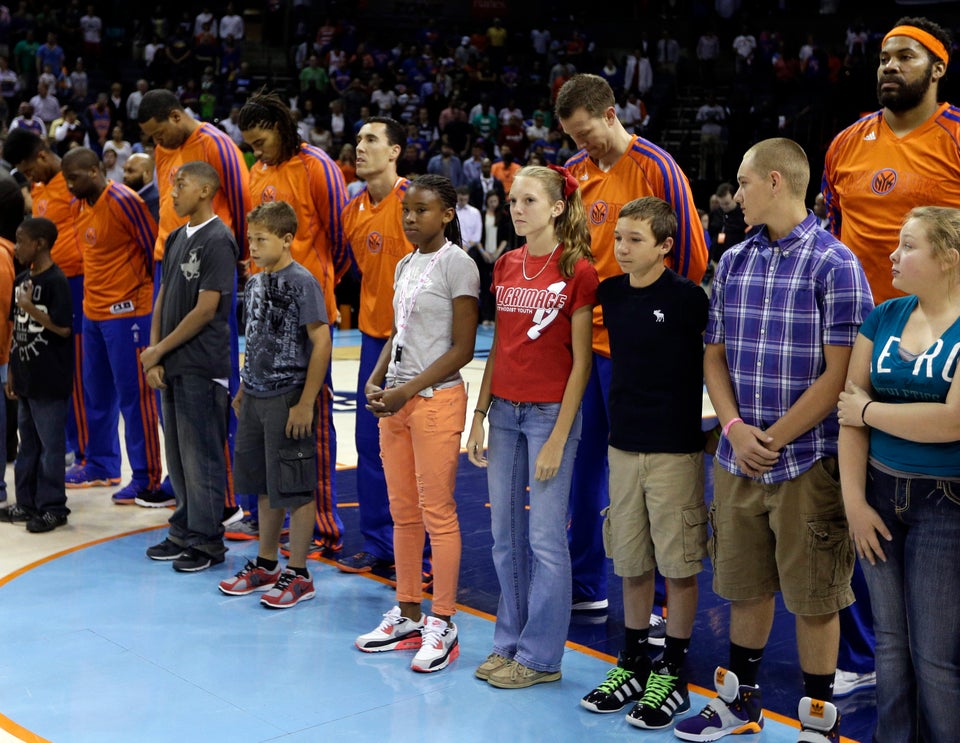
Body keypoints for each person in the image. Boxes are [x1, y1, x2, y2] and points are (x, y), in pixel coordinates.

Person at [674, 138, 873, 743]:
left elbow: (841, 375)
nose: (737, 195)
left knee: (815, 596)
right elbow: (713, 355)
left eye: (744, 182)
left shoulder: (836, 265)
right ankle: (741, 706)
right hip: (739, 457)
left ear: (777, 182)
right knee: (745, 586)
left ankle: (817, 720)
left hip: (807, 462)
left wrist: (776, 437)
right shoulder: (733, 260)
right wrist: (734, 428)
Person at [821, 16, 960, 698]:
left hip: (940, 344)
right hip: (860, 341)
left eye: (905, 55)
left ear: (938, 67)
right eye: (883, 55)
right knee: (857, 497)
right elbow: (829, 236)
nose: (888, 64)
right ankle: (865, 652)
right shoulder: (846, 142)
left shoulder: (958, 136)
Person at [556, 73, 708, 614]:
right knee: (587, 465)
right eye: (572, 137)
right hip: (586, 344)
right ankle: (584, 585)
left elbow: (688, 259)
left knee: (656, 472)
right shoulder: (573, 174)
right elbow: (570, 252)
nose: (581, 145)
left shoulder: (657, 168)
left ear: (611, 115)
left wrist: (655, 323)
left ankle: (666, 600)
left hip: (642, 346)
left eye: (585, 133)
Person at [466, 164, 597, 689]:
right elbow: (499, 347)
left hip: (549, 417)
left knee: (545, 540)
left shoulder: (578, 269)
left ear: (557, 208)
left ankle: (542, 658)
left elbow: (582, 363)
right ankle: (509, 643)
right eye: (512, 201)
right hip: (504, 414)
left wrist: (560, 438)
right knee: (504, 536)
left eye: (528, 201)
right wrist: (478, 414)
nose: (517, 209)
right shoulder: (505, 265)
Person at [580, 197, 708, 729]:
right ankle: (633, 662)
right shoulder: (609, 293)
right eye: (618, 239)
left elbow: (717, 359)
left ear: (664, 246)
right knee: (630, 561)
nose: (623, 248)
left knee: (677, 565)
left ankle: (671, 671)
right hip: (623, 446)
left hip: (676, 450)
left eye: (635, 239)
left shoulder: (687, 299)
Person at [837, 206, 960, 742]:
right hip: (878, 496)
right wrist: (854, 504)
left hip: (946, 504)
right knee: (889, 645)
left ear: (947, 259)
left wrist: (869, 411)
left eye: (908, 245)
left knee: (934, 655)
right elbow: (846, 411)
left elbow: (952, 421)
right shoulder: (883, 316)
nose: (893, 254)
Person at [354, 174, 478, 672]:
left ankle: (443, 622)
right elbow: (398, 332)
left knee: (438, 514)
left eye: (421, 210)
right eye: (406, 211)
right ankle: (407, 613)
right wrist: (379, 375)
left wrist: (407, 388)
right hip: (398, 402)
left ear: (446, 214)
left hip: (434, 402)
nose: (410, 218)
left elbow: (463, 349)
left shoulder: (459, 265)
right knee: (403, 513)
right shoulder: (406, 263)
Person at [236, 90, 347, 555]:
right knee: (271, 430)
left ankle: (322, 527)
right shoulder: (257, 173)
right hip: (266, 316)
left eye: (260, 141)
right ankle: (271, 527)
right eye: (250, 145)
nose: (255, 152)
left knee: (309, 423)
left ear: (280, 129)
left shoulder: (317, 165)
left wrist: (316, 285)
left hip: (307, 312)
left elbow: (339, 238)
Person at [137, 88, 250, 520]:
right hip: (173, 255)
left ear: (176, 115)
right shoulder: (165, 149)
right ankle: (188, 491)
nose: (156, 142)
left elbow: (238, 203)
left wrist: (235, 260)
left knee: (211, 386)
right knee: (176, 388)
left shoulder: (216, 144)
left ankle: (223, 496)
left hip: (210, 262)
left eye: (158, 132)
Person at [218, 200, 332, 608]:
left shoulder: (303, 282)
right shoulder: (255, 282)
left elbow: (321, 341)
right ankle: (266, 563)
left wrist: (305, 403)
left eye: (260, 240)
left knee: (295, 488)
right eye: (250, 239)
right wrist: (246, 387)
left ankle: (299, 573)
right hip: (256, 395)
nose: (252, 247)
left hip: (288, 397)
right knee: (264, 485)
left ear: (286, 240)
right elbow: (257, 338)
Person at [141, 162, 238, 572]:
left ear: (204, 190)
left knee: (202, 456)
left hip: (203, 363)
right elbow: (163, 297)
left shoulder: (219, 239)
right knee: (178, 455)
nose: (172, 193)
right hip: (174, 361)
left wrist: (160, 348)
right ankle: (183, 528)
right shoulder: (178, 235)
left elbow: (206, 309)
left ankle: (208, 541)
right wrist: (154, 353)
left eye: (179, 185)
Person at [336, 117, 418, 576]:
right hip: (373, 337)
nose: (360, 147)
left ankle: (419, 556)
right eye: (357, 140)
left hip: (417, 344)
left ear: (394, 151)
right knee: (370, 444)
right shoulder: (352, 212)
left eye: (371, 140)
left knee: (411, 450)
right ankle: (378, 544)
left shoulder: (415, 201)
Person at [61, 147, 162, 505]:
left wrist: (145, 303)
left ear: (95, 170)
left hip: (128, 311)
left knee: (136, 398)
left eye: (74, 178)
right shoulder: (78, 207)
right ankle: (102, 464)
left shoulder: (123, 200)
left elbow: (153, 250)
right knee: (96, 391)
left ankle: (148, 476)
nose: (70, 186)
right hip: (93, 311)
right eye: (66, 180)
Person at [2, 128, 87, 470]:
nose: (28, 177)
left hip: (75, 281)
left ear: (40, 155)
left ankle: (84, 451)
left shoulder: (71, 183)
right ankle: (62, 445)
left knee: (75, 371)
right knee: (43, 364)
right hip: (42, 282)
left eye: (27, 169)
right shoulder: (37, 190)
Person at [2, 218, 73, 533]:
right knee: (26, 445)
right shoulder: (20, 279)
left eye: (21, 240)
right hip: (26, 377)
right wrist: (12, 372)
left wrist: (31, 308)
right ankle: (27, 502)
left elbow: (63, 328)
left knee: (50, 447)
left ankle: (53, 507)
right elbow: (16, 332)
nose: (17, 247)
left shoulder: (57, 281)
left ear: (40, 243)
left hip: (50, 380)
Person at [470, 189, 514, 325]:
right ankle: (485, 317)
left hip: (497, 254)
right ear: (487, 201)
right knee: (483, 286)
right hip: (483, 254)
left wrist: (497, 253)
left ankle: (495, 318)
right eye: (491, 201)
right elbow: (476, 235)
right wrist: (483, 252)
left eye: (495, 201)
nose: (493, 203)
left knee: (496, 287)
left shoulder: (503, 215)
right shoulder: (481, 215)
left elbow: (505, 238)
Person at [122, 153, 159, 223]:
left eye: (130, 171)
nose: (125, 176)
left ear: (147, 174)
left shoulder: (155, 202)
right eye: (124, 171)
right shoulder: (128, 197)